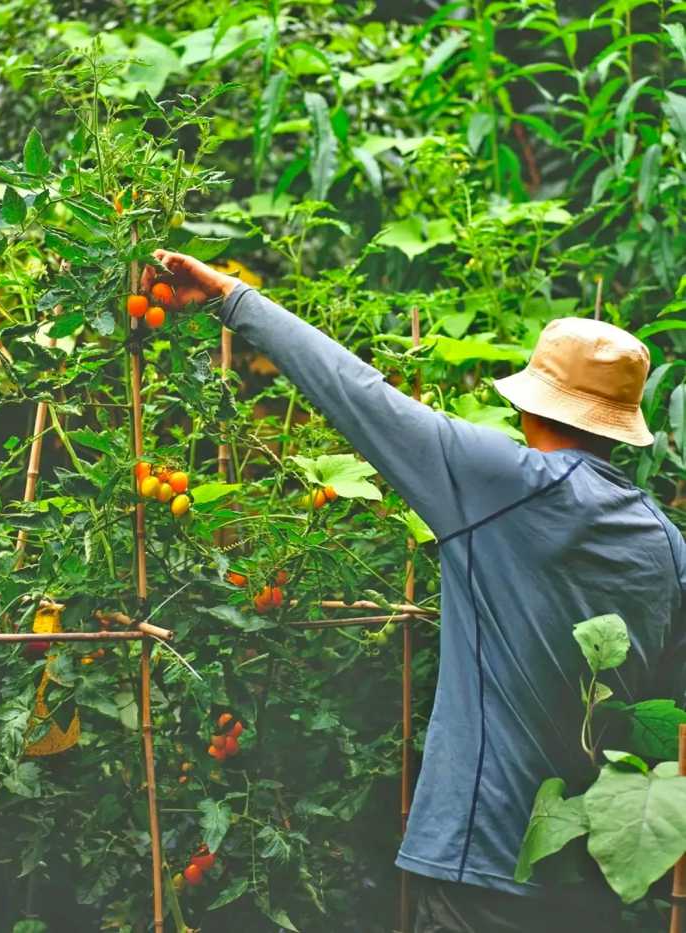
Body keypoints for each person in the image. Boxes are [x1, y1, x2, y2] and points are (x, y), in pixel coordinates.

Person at [142, 251, 686, 933]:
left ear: (530, 409)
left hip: (480, 859)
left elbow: (362, 397)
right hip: (598, 871)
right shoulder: (667, 543)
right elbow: (669, 717)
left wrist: (232, 298)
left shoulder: (499, 482)